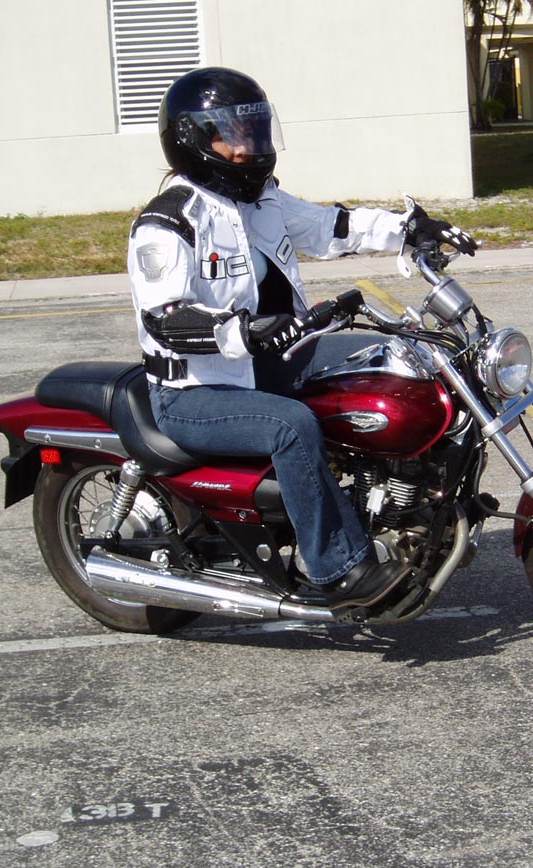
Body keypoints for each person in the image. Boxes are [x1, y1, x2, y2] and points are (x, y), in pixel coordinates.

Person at [127, 66, 477, 605]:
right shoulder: (169, 223)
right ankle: (335, 567)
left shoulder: (260, 200)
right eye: (231, 136)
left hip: (276, 360)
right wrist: (242, 331)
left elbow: (330, 226)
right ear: (192, 139)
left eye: (252, 131)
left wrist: (409, 230)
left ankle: (417, 504)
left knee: (405, 356)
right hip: (195, 391)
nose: (246, 148)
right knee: (290, 426)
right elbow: (165, 319)